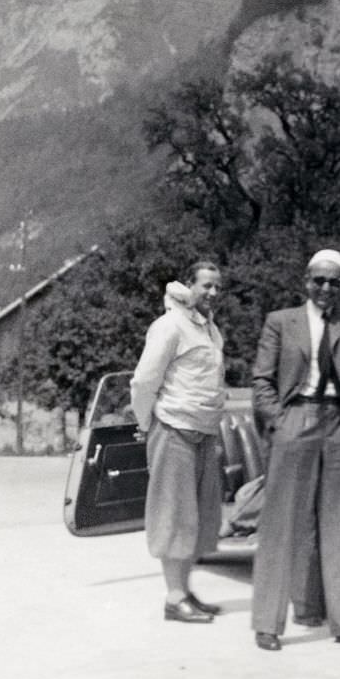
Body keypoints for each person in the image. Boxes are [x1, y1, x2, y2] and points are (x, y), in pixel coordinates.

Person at [251, 248, 340, 651]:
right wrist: (279, 422)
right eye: (319, 280)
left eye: (334, 281)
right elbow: (261, 380)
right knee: (281, 523)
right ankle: (267, 623)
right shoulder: (281, 321)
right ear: (306, 282)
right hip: (296, 419)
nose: (326, 288)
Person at [130, 261, 225, 623]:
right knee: (173, 516)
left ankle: (184, 592)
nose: (213, 293)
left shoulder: (209, 329)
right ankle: (173, 599)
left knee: (196, 518)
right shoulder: (169, 325)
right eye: (206, 286)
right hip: (173, 431)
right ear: (188, 286)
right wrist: (145, 422)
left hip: (202, 434)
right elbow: (143, 382)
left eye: (217, 287)